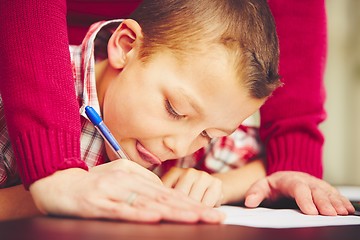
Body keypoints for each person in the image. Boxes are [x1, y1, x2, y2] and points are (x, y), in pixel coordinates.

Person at [0, 0, 354, 221]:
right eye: (174, 109)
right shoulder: (12, 105)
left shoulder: (199, 113)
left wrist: (217, 185)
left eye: (207, 135)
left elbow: (265, 165)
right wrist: (46, 197)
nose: (181, 148)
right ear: (125, 46)